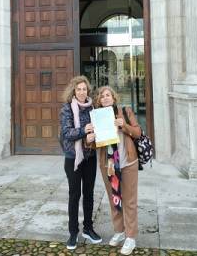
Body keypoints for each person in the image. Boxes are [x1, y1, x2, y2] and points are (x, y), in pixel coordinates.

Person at [93, 86, 141, 255]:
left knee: (129, 200)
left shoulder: (125, 111)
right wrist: (89, 138)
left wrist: (124, 125)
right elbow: (94, 143)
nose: (105, 98)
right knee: (114, 199)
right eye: (102, 96)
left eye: (108, 95)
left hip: (128, 163)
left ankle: (130, 237)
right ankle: (120, 231)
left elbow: (137, 132)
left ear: (113, 98)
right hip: (109, 165)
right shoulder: (97, 116)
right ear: (99, 101)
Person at [59, 75, 101, 250]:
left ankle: (88, 228)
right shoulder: (67, 109)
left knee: (89, 194)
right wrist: (84, 130)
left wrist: (97, 133)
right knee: (74, 195)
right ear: (73, 91)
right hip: (73, 158)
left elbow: (101, 128)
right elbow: (67, 133)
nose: (82, 92)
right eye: (79, 89)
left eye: (84, 89)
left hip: (90, 156)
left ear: (88, 90)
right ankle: (73, 233)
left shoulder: (94, 107)